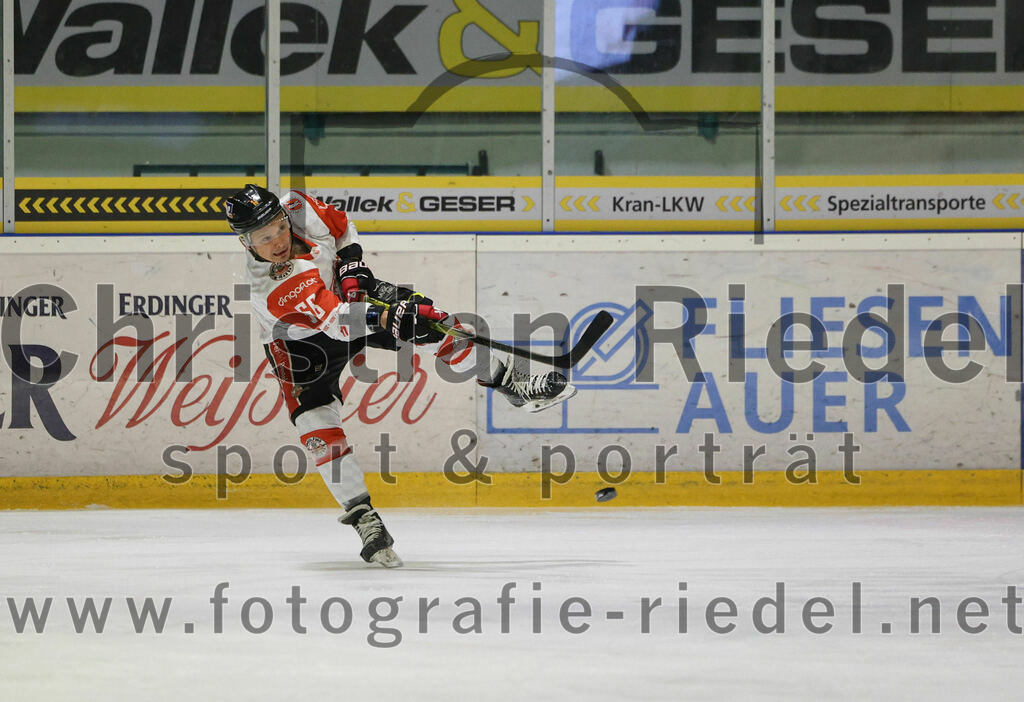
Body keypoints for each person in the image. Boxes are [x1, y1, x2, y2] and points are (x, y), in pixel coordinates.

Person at [224, 184, 576, 568]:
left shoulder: (297, 205)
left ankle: (509, 382)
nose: (277, 241)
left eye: (279, 227)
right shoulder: (272, 286)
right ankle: (364, 518)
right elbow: (338, 323)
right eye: (264, 238)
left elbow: (341, 227)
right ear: (245, 242)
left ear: (283, 215)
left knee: (436, 326)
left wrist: (351, 265)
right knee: (317, 429)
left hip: (343, 297)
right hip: (301, 345)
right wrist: (388, 317)